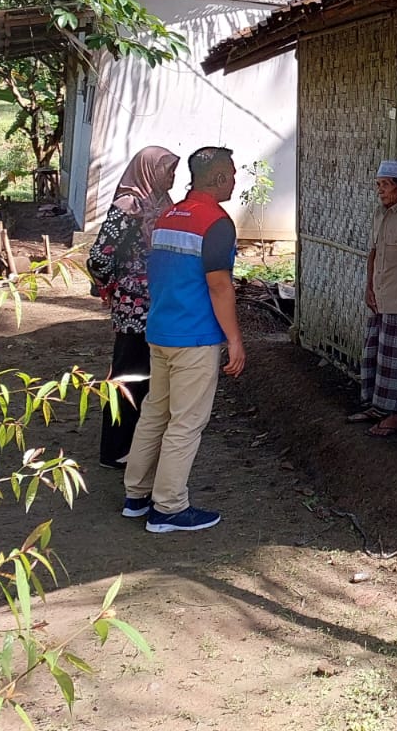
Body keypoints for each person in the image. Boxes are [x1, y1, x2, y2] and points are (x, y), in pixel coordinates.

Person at [122, 145, 246, 532]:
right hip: (193, 337)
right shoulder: (217, 223)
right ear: (223, 178)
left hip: (160, 331)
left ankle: (136, 497)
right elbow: (220, 287)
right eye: (233, 174)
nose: (235, 181)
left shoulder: (167, 216)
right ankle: (169, 508)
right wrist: (235, 340)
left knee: (155, 413)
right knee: (186, 423)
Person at [86, 145, 179, 469]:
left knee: (149, 379)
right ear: (149, 170)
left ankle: (136, 448)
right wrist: (109, 286)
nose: (172, 176)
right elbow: (99, 256)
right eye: (168, 170)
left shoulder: (161, 204)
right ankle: (113, 451)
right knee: (128, 377)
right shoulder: (129, 206)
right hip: (134, 308)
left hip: (157, 304)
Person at [347, 159, 397, 437]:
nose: (380, 190)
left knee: (394, 359)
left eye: (385, 185)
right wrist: (368, 287)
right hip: (379, 296)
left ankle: (394, 415)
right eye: (378, 185)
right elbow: (372, 253)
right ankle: (376, 406)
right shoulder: (379, 215)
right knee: (374, 354)